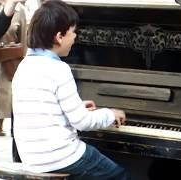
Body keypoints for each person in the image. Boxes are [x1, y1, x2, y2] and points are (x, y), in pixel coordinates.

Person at [12, 1, 130, 179]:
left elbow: (42, 107)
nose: (75, 37)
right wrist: (110, 114)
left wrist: (76, 106)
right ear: (59, 36)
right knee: (120, 176)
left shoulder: (24, 66)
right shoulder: (59, 69)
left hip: (33, 158)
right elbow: (82, 123)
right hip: (61, 157)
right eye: (73, 32)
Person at [0, 0, 26, 158]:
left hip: (8, 64)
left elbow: (23, 39)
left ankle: (17, 150)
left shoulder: (19, 9)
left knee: (11, 103)